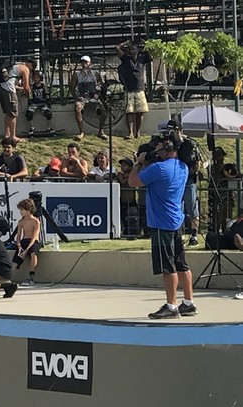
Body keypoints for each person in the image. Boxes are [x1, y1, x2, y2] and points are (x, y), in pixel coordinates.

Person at [128, 132, 195, 319]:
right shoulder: (183, 167)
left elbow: (132, 182)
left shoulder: (158, 168)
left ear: (167, 147)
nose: (155, 150)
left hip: (160, 222)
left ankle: (171, 306)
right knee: (181, 263)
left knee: (168, 266)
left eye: (158, 147)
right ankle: (188, 303)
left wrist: (139, 162)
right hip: (176, 220)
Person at [117, 40, 150, 139]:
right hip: (129, 90)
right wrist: (124, 43)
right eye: (130, 49)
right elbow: (117, 48)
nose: (131, 51)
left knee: (140, 112)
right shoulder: (126, 59)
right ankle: (130, 132)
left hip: (140, 89)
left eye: (133, 49)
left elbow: (150, 52)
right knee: (129, 112)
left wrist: (145, 43)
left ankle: (138, 132)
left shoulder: (142, 59)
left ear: (137, 50)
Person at [69, 55, 107, 141]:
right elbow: (72, 86)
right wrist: (76, 97)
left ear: (90, 63)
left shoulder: (95, 73)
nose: (84, 64)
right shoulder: (77, 74)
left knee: (103, 112)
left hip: (93, 97)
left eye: (86, 62)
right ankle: (81, 132)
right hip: (82, 97)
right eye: (82, 62)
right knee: (78, 108)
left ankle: (101, 131)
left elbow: (101, 84)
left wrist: (99, 92)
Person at [0, 59, 31, 141]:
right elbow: (26, 87)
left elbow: (10, 81)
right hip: (9, 90)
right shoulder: (25, 69)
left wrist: (20, 88)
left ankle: (7, 135)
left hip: (0, 88)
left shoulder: (13, 66)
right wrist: (28, 95)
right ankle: (13, 136)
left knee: (8, 113)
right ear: (30, 65)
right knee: (13, 114)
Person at [11, 198, 41, 286]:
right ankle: (8, 278)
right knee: (16, 259)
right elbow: (18, 236)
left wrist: (26, 250)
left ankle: (31, 277)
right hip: (24, 241)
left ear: (28, 210)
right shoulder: (21, 222)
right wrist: (19, 247)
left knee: (33, 254)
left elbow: (35, 236)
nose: (20, 212)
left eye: (22, 210)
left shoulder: (36, 221)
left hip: (34, 241)